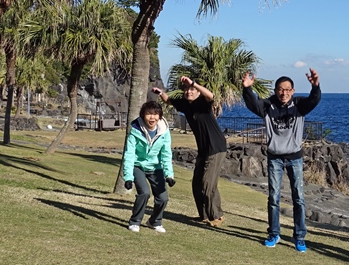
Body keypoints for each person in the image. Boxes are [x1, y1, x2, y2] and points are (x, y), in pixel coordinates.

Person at [242, 69, 321, 252]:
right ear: (276, 90)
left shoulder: (299, 105)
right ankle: (274, 233)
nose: (283, 93)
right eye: (280, 89)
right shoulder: (268, 105)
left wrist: (315, 86)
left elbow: (314, 100)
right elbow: (253, 104)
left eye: (287, 89)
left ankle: (299, 237)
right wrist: (246, 89)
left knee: (298, 198)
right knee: (274, 198)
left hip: (295, 158)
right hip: (275, 158)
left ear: (292, 91)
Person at [153, 77, 227, 227]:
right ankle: (204, 215)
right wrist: (161, 93)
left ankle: (217, 216)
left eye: (192, 90)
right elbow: (169, 101)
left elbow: (210, 95)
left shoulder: (203, 103)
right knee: (196, 183)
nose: (189, 92)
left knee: (208, 183)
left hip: (216, 147)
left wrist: (193, 84)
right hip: (203, 149)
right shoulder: (185, 105)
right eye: (186, 89)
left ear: (198, 92)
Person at [122, 101, 175, 233]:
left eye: (156, 114)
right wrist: (128, 177)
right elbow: (129, 154)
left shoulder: (164, 131)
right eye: (149, 114)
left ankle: (154, 221)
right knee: (144, 193)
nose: (152, 117)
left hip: (155, 168)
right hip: (137, 166)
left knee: (163, 198)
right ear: (143, 115)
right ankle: (135, 222)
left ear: (160, 116)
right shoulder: (135, 130)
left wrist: (169, 175)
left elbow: (166, 154)